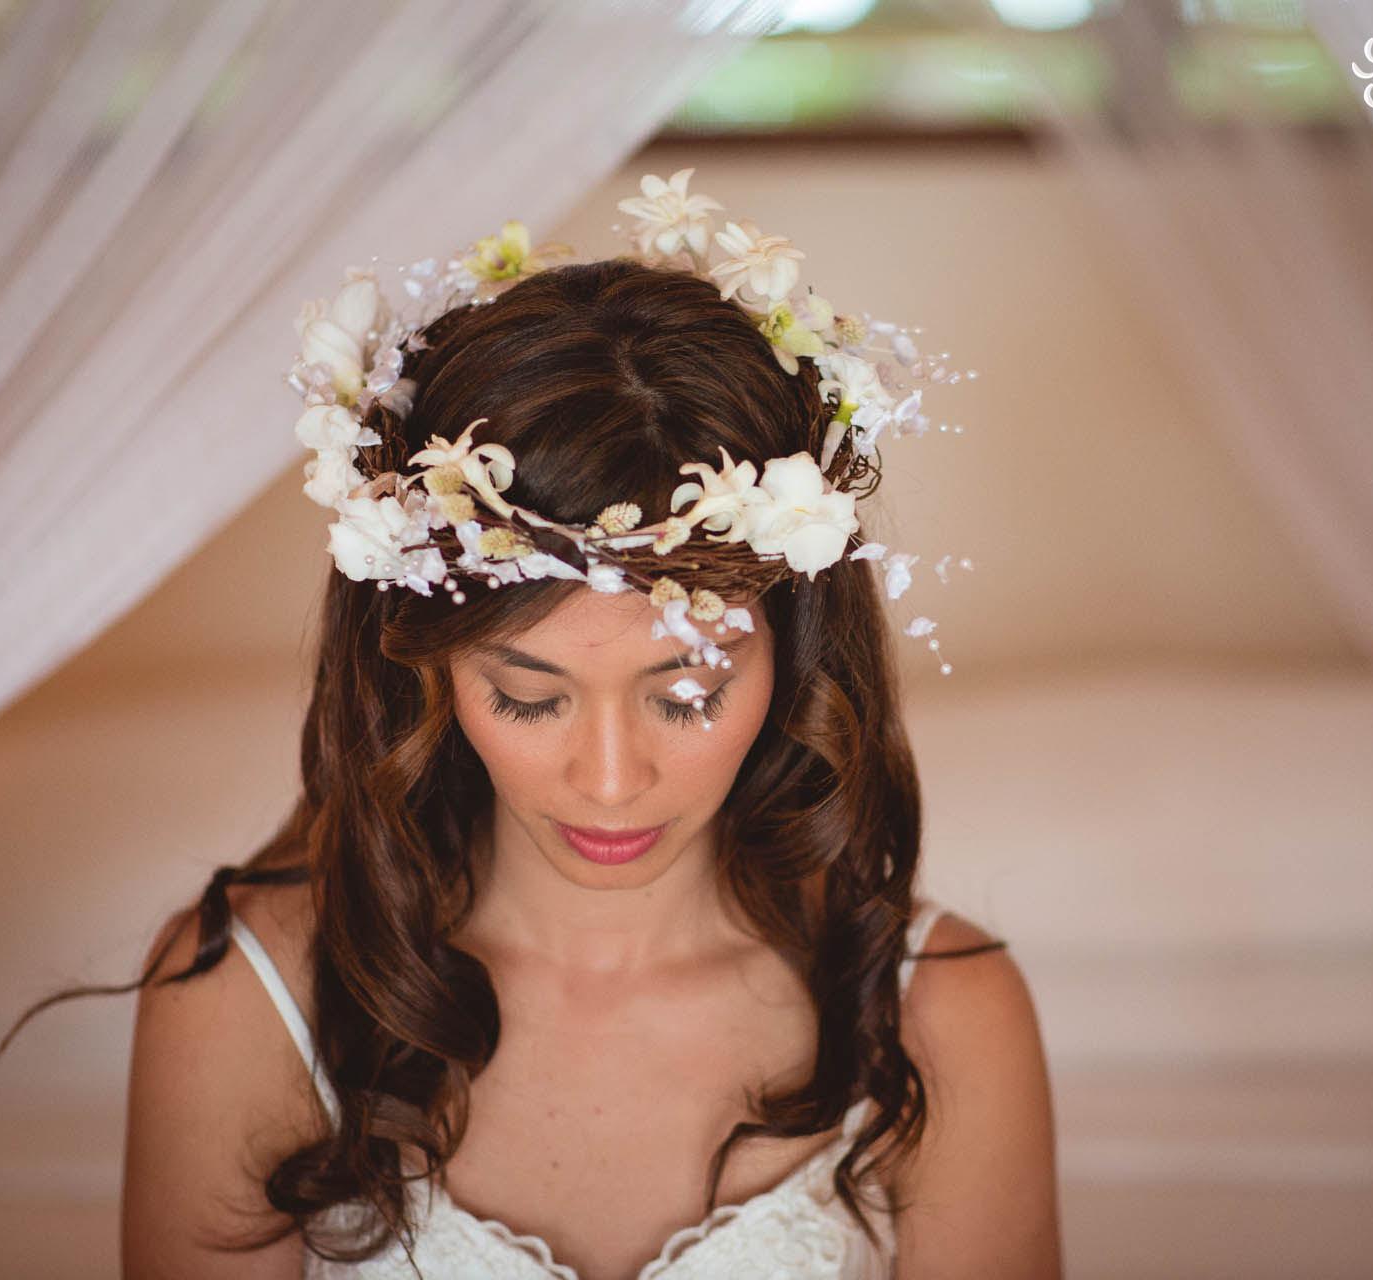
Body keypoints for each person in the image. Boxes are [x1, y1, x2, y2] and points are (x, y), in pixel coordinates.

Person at [109, 171, 1060, 1278]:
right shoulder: (252, 998)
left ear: (797, 655)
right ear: (426, 669)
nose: (610, 781)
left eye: (687, 692)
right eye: (529, 693)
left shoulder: (942, 1014)